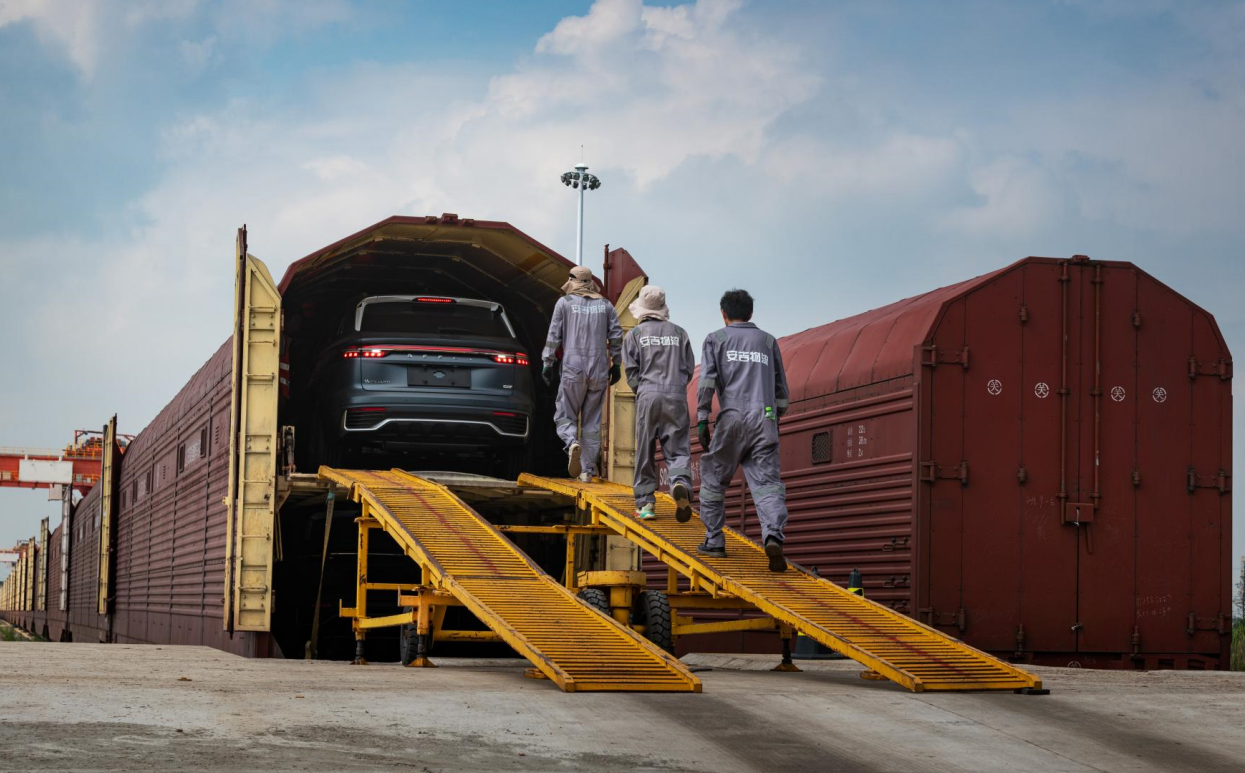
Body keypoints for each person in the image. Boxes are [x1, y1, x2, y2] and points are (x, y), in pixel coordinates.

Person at [695, 289, 791, 571]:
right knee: (767, 484)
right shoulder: (768, 341)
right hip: (765, 419)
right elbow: (782, 391)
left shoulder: (716, 339)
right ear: (751, 313)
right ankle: (772, 536)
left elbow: (706, 383)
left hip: (733, 419)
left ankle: (714, 540)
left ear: (723, 314)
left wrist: (702, 418)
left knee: (714, 479)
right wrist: (774, 416)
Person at [541, 265, 623, 482]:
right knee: (592, 422)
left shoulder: (564, 303)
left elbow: (553, 336)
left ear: (571, 280)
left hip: (573, 368)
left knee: (564, 414)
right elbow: (616, 336)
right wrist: (617, 364)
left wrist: (547, 363)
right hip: (598, 369)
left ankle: (571, 442)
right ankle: (586, 470)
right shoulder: (606, 305)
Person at [622, 285, 695, 522]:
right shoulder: (680, 333)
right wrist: (675, 387)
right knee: (678, 448)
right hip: (676, 395)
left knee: (645, 451)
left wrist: (643, 391)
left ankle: (646, 504)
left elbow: (631, 372)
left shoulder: (634, 335)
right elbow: (689, 369)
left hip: (648, 395)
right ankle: (680, 483)